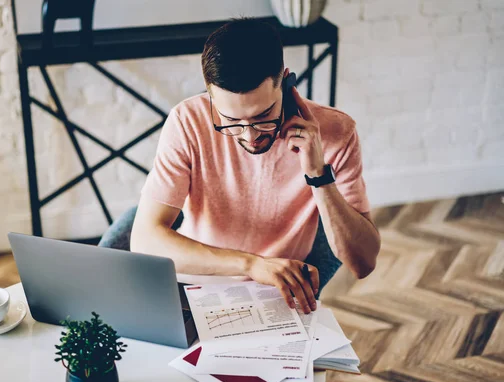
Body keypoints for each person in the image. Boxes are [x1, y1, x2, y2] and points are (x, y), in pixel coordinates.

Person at [99, 18, 381, 314]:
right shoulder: (187, 122)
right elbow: (145, 240)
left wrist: (318, 175)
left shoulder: (337, 131)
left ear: (286, 82)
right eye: (231, 120)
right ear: (210, 94)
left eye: (263, 116)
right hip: (199, 284)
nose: (250, 135)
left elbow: (363, 264)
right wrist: (251, 264)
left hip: (275, 293)